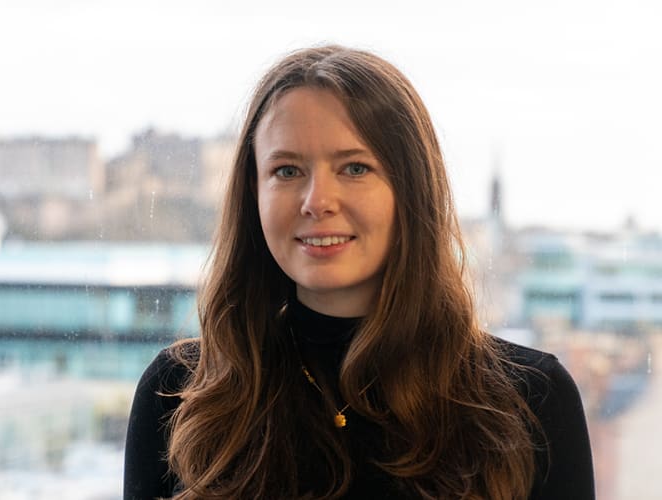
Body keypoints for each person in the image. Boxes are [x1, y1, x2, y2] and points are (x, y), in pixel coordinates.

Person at [123, 45, 595, 499]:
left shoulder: (530, 400)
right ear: (255, 192)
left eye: (354, 168)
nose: (316, 202)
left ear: (411, 189)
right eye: (287, 171)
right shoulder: (180, 395)